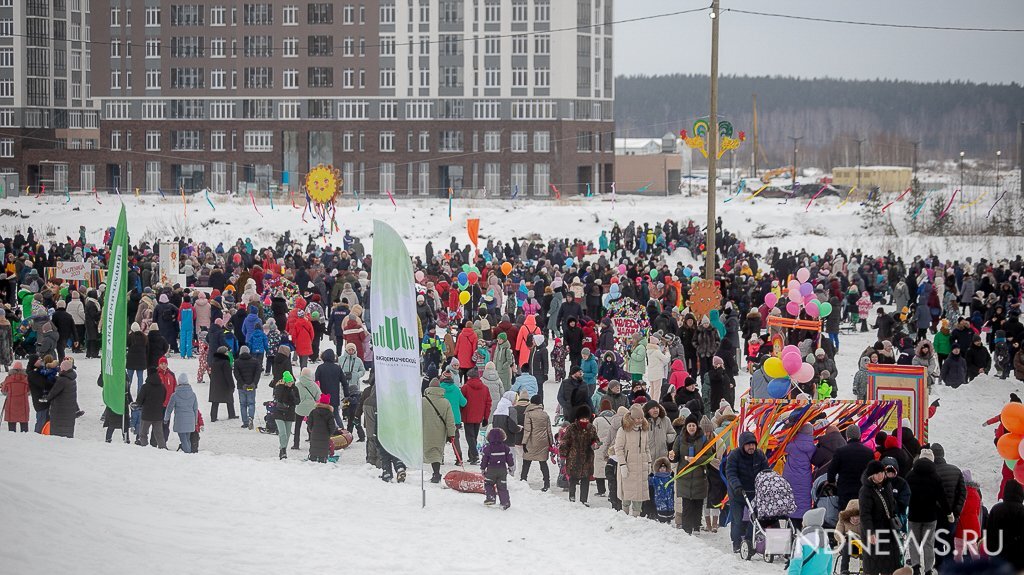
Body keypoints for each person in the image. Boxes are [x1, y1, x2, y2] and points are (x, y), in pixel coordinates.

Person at [905, 455, 952, 575]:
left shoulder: (910, 476)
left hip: (914, 515)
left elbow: (905, 494)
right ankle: (928, 570)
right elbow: (942, 497)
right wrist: (948, 513)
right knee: (929, 544)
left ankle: (915, 567)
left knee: (914, 542)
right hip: (930, 516)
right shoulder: (935, 477)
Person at [725, 431, 770, 553]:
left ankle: (749, 541)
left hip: (754, 492)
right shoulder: (734, 455)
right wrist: (737, 486)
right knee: (737, 519)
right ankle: (736, 543)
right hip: (737, 492)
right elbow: (730, 473)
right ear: (742, 445)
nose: (751, 447)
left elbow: (766, 471)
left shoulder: (759, 455)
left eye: (753, 444)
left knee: (754, 518)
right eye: (748, 445)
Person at [859, 460, 903, 575]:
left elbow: (892, 504)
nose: (881, 476)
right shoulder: (865, 491)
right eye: (877, 473)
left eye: (882, 472)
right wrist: (870, 532)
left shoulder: (887, 484)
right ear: (871, 475)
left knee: (892, 564)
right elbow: (865, 514)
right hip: (875, 531)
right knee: (875, 565)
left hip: (889, 529)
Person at [670, 412, 709, 533]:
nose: (691, 427)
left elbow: (709, 456)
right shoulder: (680, 438)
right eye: (689, 425)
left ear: (697, 427)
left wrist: (697, 460)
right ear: (686, 427)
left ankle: (696, 526)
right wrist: (672, 456)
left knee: (698, 503)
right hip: (684, 477)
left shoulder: (703, 439)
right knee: (686, 505)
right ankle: (687, 529)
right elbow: (676, 455)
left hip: (699, 476)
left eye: (693, 425)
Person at [931, 443, 966, 568]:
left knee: (937, 540)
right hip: (952, 514)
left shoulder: (931, 473)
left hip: (936, 514)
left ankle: (939, 566)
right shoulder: (955, 470)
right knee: (950, 539)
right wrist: (957, 510)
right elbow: (963, 492)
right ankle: (951, 564)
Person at [614, 403, 652, 516]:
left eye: (641, 418)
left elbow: (646, 448)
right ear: (632, 418)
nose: (639, 420)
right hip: (628, 466)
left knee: (639, 496)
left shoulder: (644, 430)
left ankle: (636, 518)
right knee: (627, 494)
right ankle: (624, 517)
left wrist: (649, 462)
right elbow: (618, 448)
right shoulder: (623, 430)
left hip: (641, 466)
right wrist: (622, 465)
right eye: (637, 418)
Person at [827, 424, 875, 512]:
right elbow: (872, 472)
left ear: (847, 436)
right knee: (861, 514)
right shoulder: (869, 452)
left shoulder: (840, 451)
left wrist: (831, 482)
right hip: (863, 489)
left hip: (845, 489)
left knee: (845, 515)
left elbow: (831, 470)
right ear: (859, 436)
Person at [560, 405, 598, 505]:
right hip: (574, 458)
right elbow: (565, 441)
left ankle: (583, 499)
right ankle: (572, 497)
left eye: (586, 419)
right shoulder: (572, 428)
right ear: (578, 418)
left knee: (586, 479)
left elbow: (596, 439)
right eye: (582, 418)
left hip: (587, 458)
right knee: (573, 478)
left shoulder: (591, 428)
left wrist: (595, 444)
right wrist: (563, 454)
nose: (585, 421)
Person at [984, 479, 1024, 572]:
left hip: (999, 556)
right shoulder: (1022, 511)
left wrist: (991, 550)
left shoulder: (996, 509)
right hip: (1018, 558)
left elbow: (989, 532)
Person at [783, 423, 816, 529]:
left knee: (791, 500)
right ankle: (802, 527)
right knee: (804, 500)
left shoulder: (791, 446)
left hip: (790, 478)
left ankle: (790, 528)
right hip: (805, 479)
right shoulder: (813, 447)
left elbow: (781, 444)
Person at [423, 378, 456, 483]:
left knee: (425, 450)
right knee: (436, 453)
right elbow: (450, 421)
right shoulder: (445, 402)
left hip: (424, 431)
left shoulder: (422, 401)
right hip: (439, 432)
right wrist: (451, 435)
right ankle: (436, 473)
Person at [519, 395, 553, 491]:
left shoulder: (529, 414)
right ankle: (547, 483)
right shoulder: (545, 414)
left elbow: (527, 430)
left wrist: (524, 442)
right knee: (543, 463)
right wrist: (551, 443)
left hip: (531, 441)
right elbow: (549, 430)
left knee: (526, 462)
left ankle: (523, 480)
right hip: (543, 442)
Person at [787, 508, 834, 575]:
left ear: (807, 522)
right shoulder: (826, 541)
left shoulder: (801, 540)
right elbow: (829, 566)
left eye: (803, 520)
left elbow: (796, 563)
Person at [460, 367, 491, 465]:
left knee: (470, 437)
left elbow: (462, 402)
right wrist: (486, 417)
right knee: (474, 436)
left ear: (469, 377)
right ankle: (472, 456)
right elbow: (488, 403)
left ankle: (475, 455)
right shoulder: (485, 388)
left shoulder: (465, 387)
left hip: (467, 415)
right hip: (479, 416)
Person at [480, 427, 515, 509]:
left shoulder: (487, 448)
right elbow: (510, 458)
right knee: (502, 487)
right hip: (502, 470)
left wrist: (482, 468)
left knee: (488, 484)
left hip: (491, 470)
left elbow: (484, 460)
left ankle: (491, 498)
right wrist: (511, 466)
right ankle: (505, 502)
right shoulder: (505, 448)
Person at [164, 373, 198, 453]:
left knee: (183, 439)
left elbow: (169, 408)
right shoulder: (193, 394)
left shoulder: (175, 395)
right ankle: (189, 453)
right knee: (187, 439)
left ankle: (188, 455)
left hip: (180, 420)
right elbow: (195, 409)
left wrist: (166, 418)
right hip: (191, 420)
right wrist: (195, 421)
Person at [440, 372, 467, 463]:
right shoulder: (456, 389)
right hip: (455, 419)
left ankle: (440, 458)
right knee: (455, 439)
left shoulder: (439, 389)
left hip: (442, 418)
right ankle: (459, 458)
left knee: (441, 439)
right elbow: (463, 402)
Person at [136, 369, 167, 449]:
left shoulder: (145, 387)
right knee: (159, 434)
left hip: (146, 414)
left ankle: (145, 448)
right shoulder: (162, 387)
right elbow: (164, 398)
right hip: (158, 414)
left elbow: (139, 401)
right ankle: (162, 448)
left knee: (143, 434)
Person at [292, 367, 322, 450]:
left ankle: (296, 444)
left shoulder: (297, 385)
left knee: (297, 426)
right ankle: (312, 441)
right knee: (311, 425)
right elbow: (319, 396)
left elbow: (294, 396)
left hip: (300, 408)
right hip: (311, 408)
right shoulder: (314, 385)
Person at [271, 372, 300, 459]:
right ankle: (283, 450)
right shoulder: (279, 387)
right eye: (289, 382)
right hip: (279, 412)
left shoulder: (295, 389)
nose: (291, 383)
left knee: (287, 434)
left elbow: (298, 401)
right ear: (285, 382)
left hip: (290, 413)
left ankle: (283, 449)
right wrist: (281, 387)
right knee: (282, 432)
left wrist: (292, 396)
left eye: (292, 381)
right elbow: (278, 398)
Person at [233, 345, 262, 429]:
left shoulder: (237, 362)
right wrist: (254, 383)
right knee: (251, 403)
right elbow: (258, 373)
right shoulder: (255, 361)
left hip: (241, 387)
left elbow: (236, 374)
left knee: (243, 404)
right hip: (252, 386)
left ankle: (245, 422)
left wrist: (242, 384)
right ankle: (251, 418)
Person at [306, 393, 339, 463]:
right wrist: (329, 433)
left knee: (314, 446)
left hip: (314, 433)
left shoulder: (313, 412)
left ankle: (312, 458)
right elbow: (332, 426)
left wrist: (311, 430)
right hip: (325, 435)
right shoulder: (329, 413)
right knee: (323, 448)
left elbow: (309, 422)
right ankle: (322, 459)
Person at [208, 345, 237, 422]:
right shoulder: (225, 362)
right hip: (224, 385)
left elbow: (210, 373)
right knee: (229, 399)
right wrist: (232, 385)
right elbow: (228, 375)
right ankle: (231, 414)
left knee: (215, 401)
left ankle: (213, 417)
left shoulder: (213, 361)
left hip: (215, 384)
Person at [2, 361, 29, 432]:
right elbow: (29, 391)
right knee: (24, 426)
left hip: (11, 404)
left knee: (11, 426)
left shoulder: (8, 379)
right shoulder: (26, 379)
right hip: (23, 405)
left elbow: (4, 390)